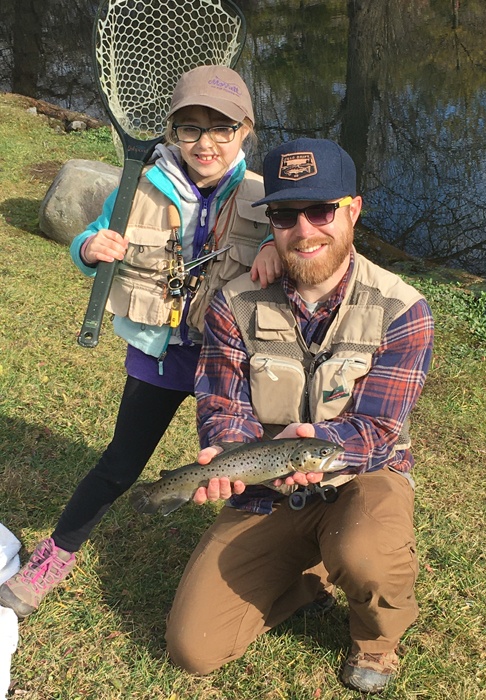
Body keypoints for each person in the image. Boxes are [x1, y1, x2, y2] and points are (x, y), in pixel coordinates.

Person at [0, 65, 281, 619]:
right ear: (171, 131)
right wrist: (88, 247)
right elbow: (90, 238)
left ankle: (275, 563)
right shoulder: (138, 185)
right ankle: (54, 556)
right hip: (158, 356)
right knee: (119, 465)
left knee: (254, 466)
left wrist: (277, 248)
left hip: (231, 363)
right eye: (190, 128)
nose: (206, 143)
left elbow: (300, 250)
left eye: (222, 128)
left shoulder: (264, 196)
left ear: (245, 131)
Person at [163, 138, 434, 694]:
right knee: (193, 648)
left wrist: (322, 441)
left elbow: (379, 429)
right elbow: (222, 405)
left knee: (367, 556)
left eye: (321, 210)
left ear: (352, 210)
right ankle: (309, 574)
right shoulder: (233, 303)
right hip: (266, 483)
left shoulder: (402, 308)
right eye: (286, 215)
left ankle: (376, 641)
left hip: (364, 475)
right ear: (271, 225)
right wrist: (225, 455)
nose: (304, 230)